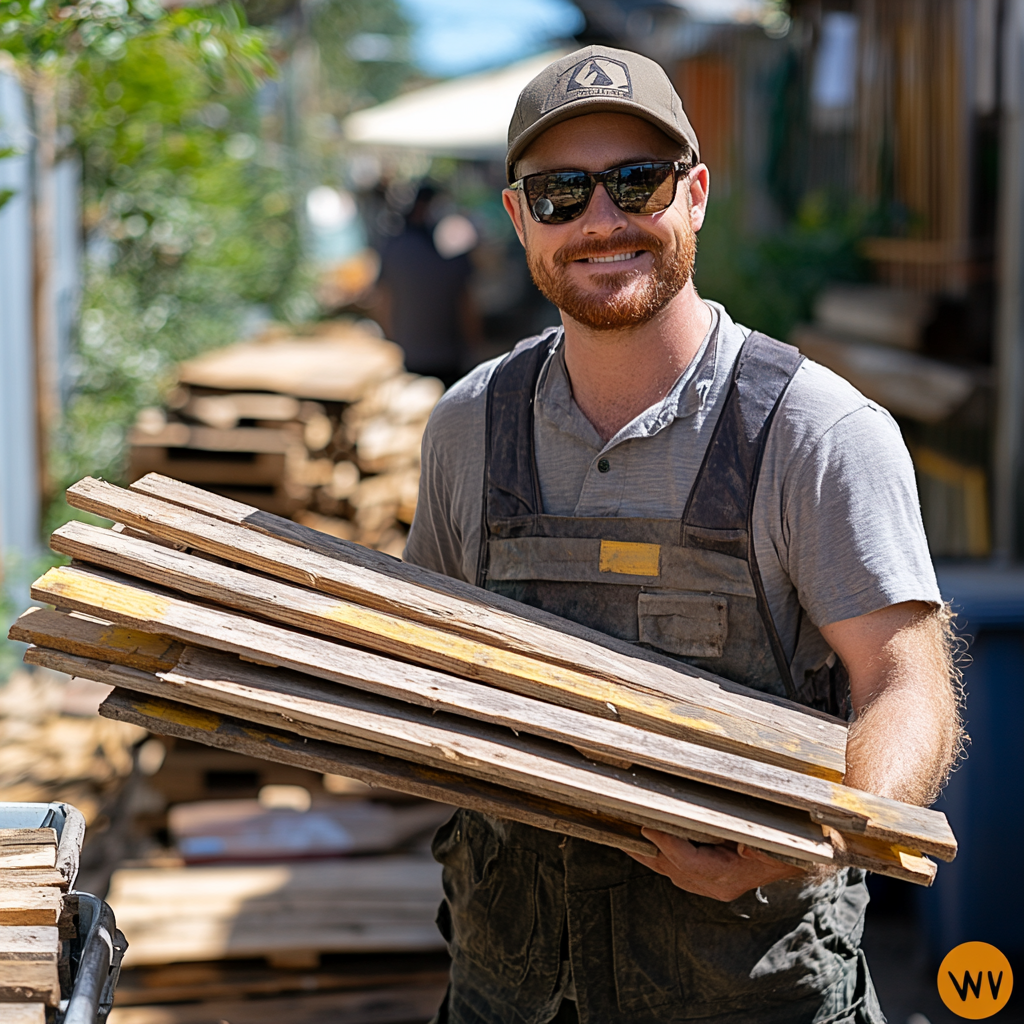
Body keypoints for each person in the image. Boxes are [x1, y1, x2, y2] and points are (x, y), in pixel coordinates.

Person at [404, 45, 962, 1024]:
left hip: (755, 992)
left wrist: (820, 835)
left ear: (694, 195)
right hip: (509, 993)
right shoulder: (468, 428)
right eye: (561, 193)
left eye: (636, 183)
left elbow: (905, 683)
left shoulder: (810, 433)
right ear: (518, 220)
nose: (601, 221)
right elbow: (421, 668)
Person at [375, 185, 481, 388]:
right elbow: (467, 306)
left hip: (412, 356)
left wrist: (393, 342)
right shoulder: (454, 249)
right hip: (448, 359)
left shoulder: (393, 247)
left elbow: (383, 301)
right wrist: (474, 348)